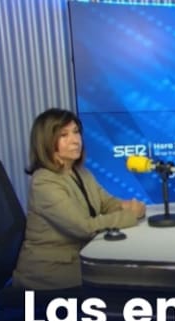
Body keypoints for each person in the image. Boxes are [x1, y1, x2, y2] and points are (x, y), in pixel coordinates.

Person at [13, 108, 146, 290]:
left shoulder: (81, 172)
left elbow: (106, 203)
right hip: (49, 271)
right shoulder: (43, 182)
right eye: (64, 135)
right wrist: (130, 215)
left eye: (76, 132)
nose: (76, 140)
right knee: (126, 276)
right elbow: (84, 228)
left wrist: (129, 206)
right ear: (46, 142)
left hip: (76, 258)